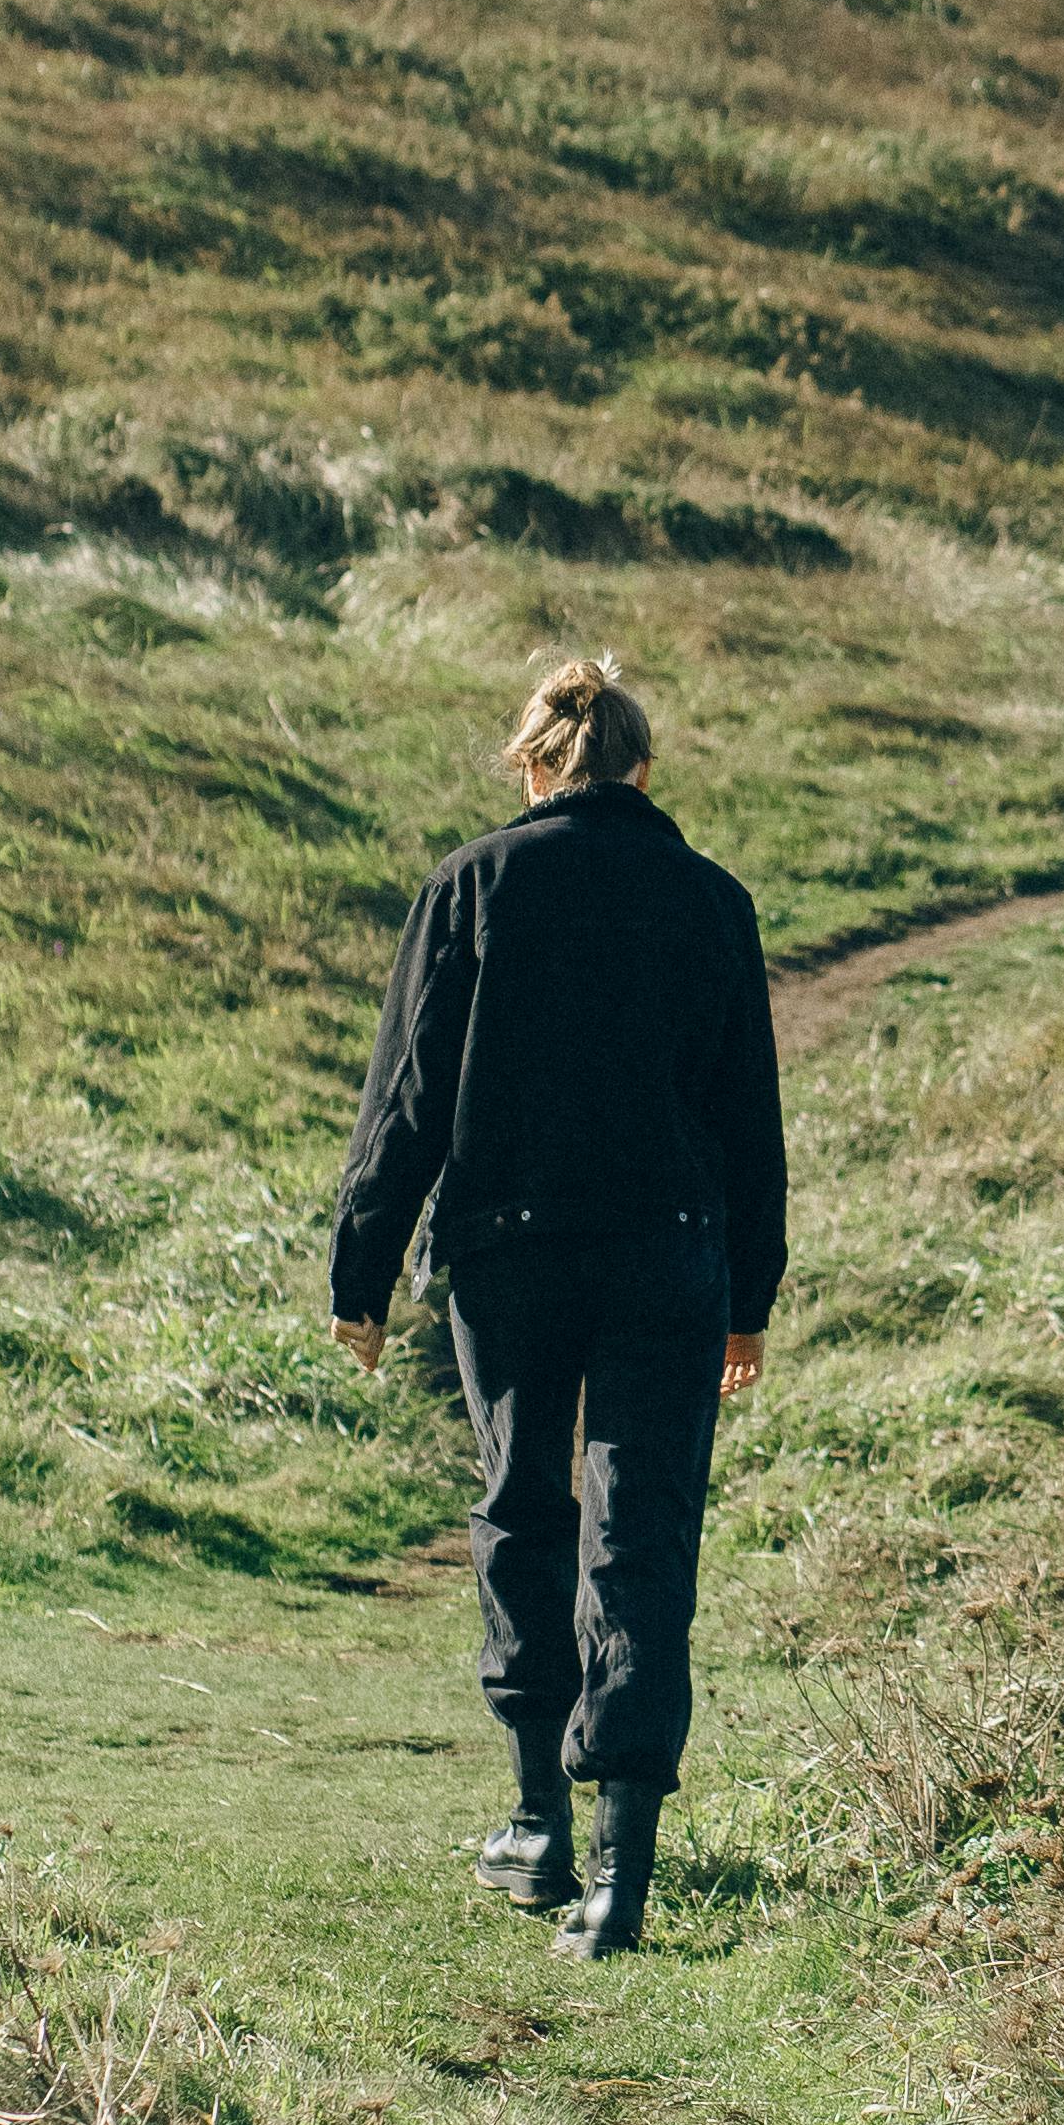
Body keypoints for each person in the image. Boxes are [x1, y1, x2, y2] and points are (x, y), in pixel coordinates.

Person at [329, 655, 785, 1959]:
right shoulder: (712, 902)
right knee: (640, 1532)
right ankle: (623, 1875)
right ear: (645, 773)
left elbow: (408, 1096)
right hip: (672, 1254)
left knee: (524, 1507)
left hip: (509, 1255)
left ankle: (535, 1823)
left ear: (535, 766)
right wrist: (750, 1298)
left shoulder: (470, 886)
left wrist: (364, 1273)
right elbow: (749, 1123)